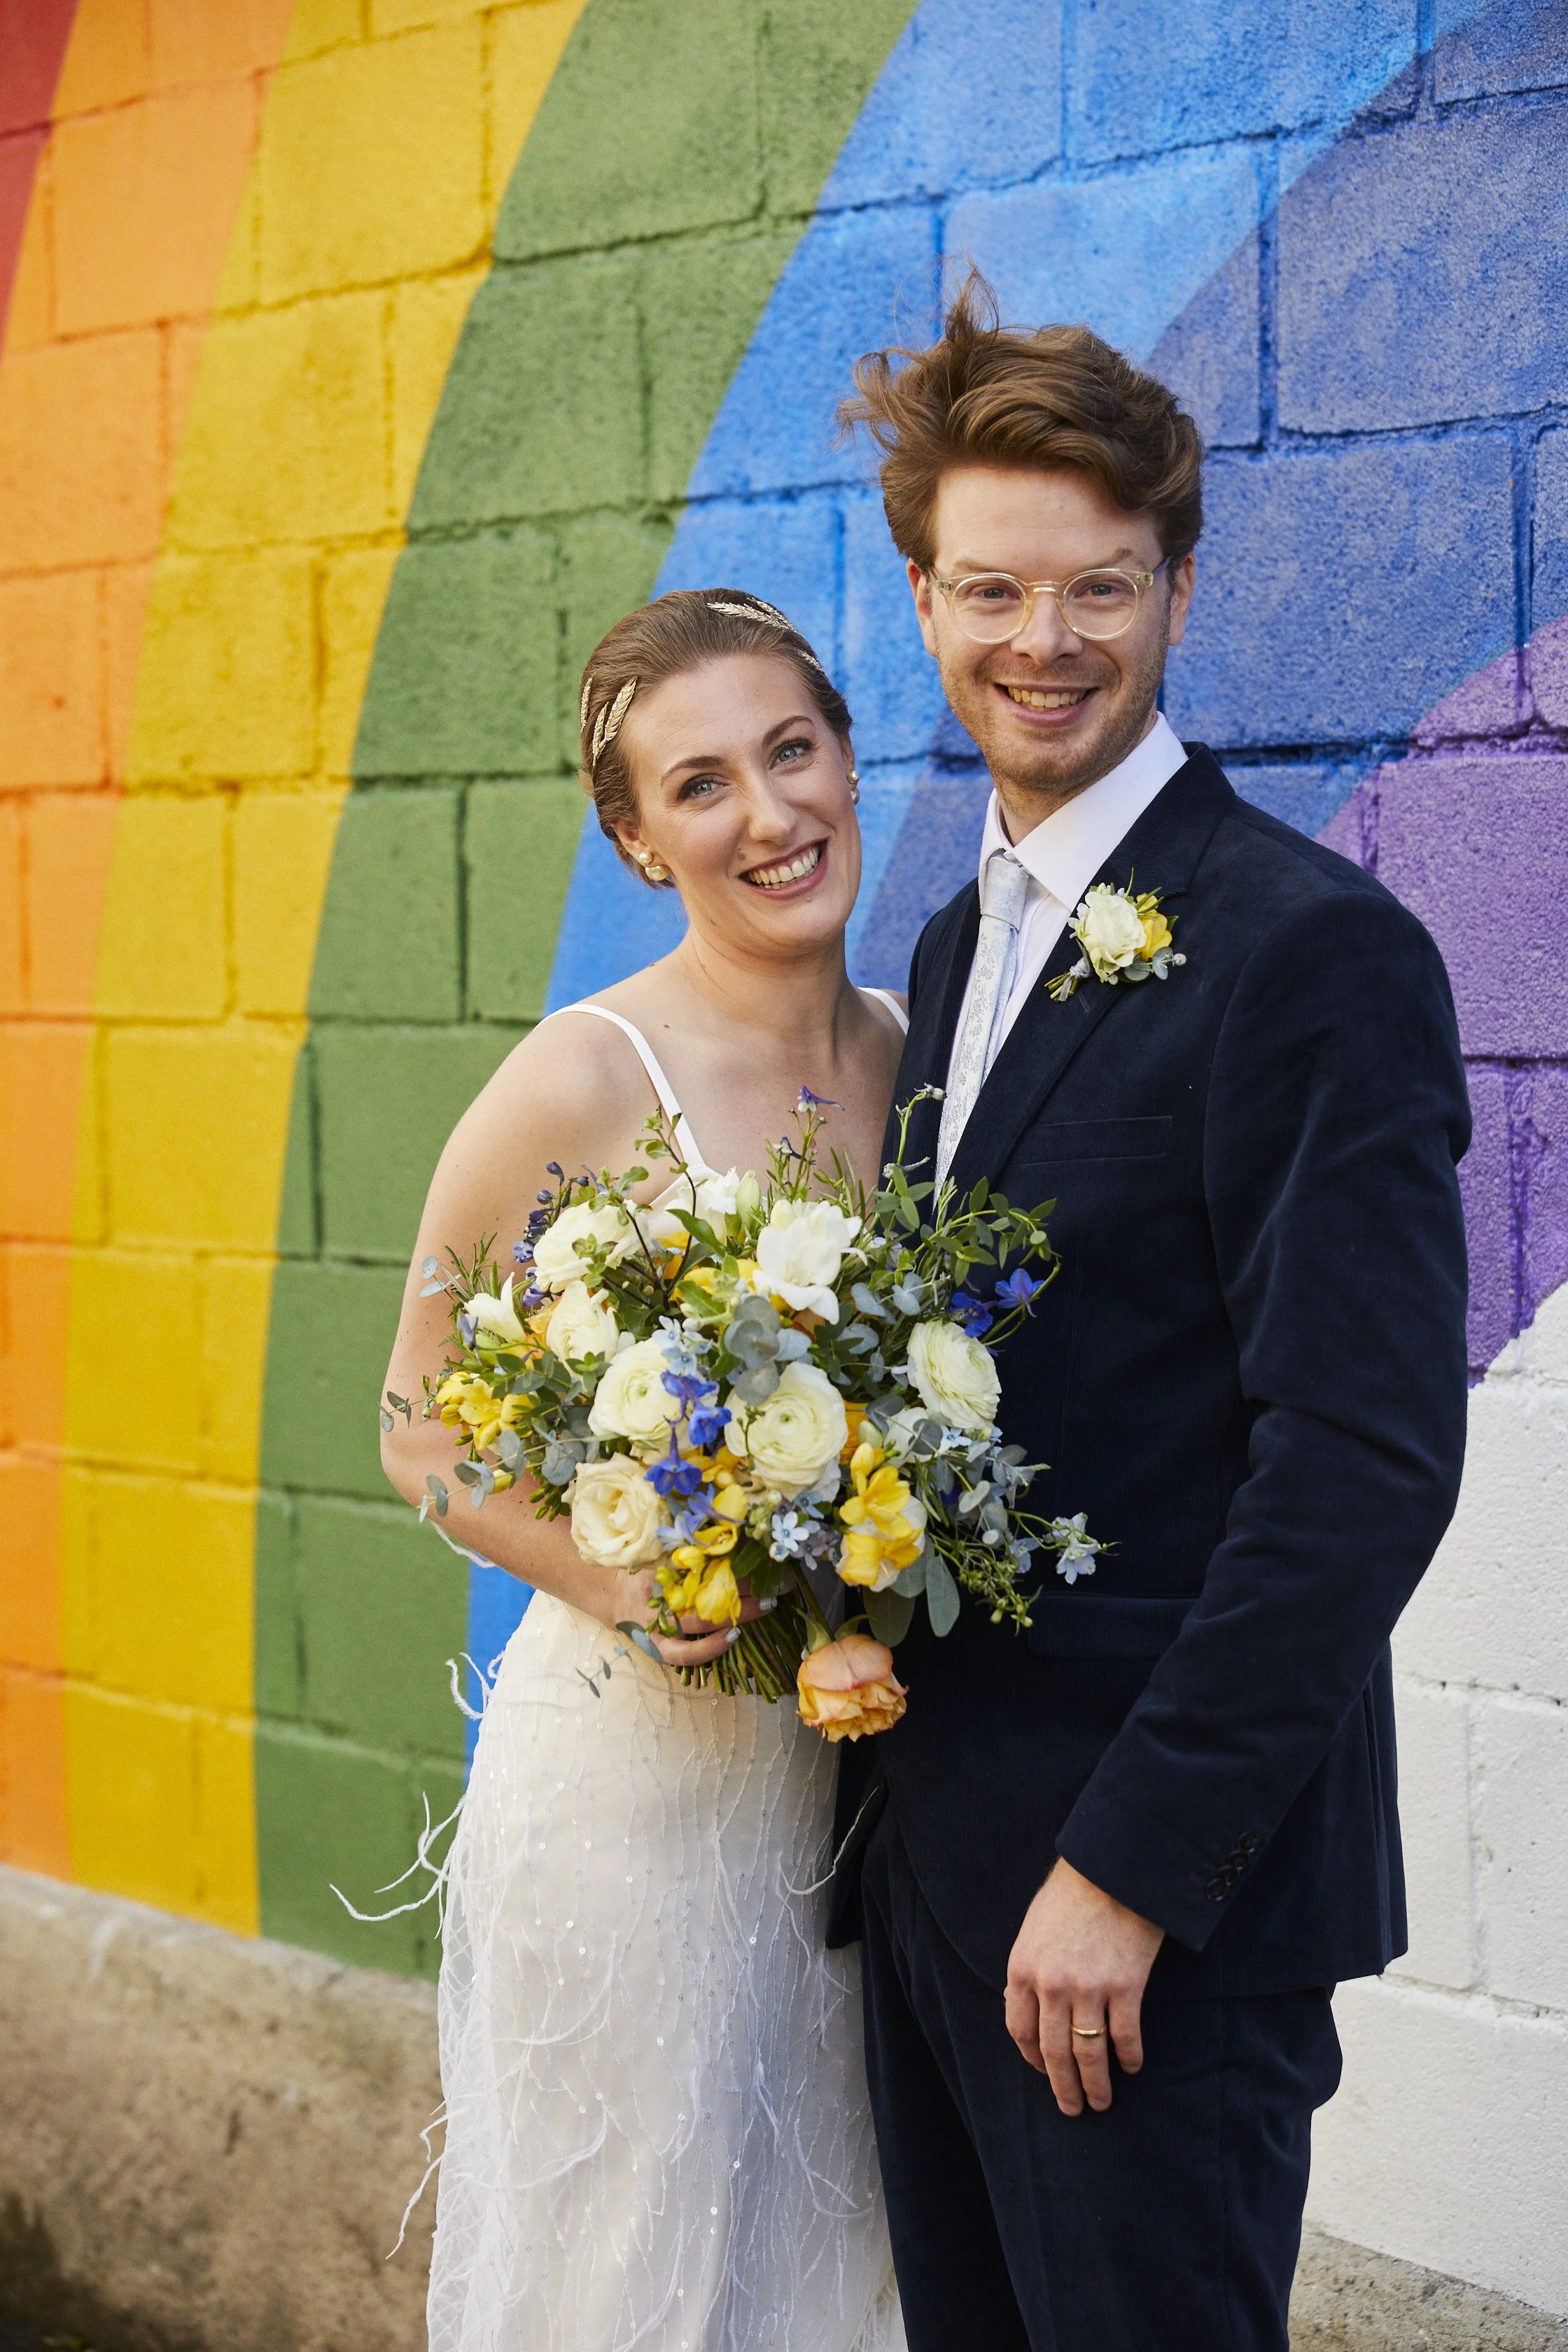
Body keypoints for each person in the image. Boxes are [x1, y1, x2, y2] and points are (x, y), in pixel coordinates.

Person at [826, 277, 1471, 2351]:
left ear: (1178, 589)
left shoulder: (1315, 953)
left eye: (1100, 589)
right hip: (937, 1881)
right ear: (924, 599)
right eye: (993, 591)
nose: (1046, 645)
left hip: (1142, 1926)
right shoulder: (952, 933)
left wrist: (1131, 1871)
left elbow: (1361, 1464)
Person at [381, 589, 909, 2352]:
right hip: (637, 1801)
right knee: (634, 2279)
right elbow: (412, 1424)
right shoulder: (576, 1079)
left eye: (791, 750)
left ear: (845, 753)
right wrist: (618, 1577)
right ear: (634, 837)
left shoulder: (916, 1056)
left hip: (858, 1809)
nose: (767, 815)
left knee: (833, 2273)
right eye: (700, 785)